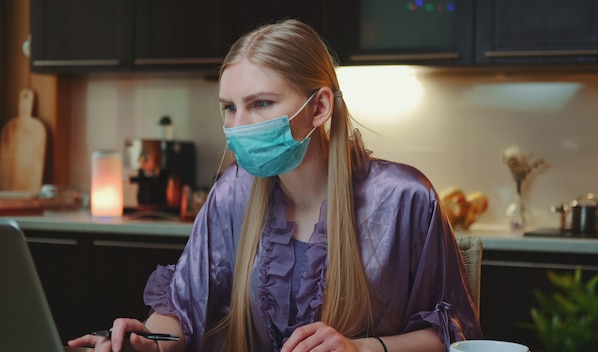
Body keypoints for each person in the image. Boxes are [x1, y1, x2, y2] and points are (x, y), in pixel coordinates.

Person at [68, 19, 482, 352]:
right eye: (230, 108)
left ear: (319, 107)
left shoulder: (405, 198)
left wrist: (360, 349)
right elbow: (183, 308)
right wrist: (146, 342)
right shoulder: (232, 193)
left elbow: (454, 335)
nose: (238, 126)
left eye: (260, 104)